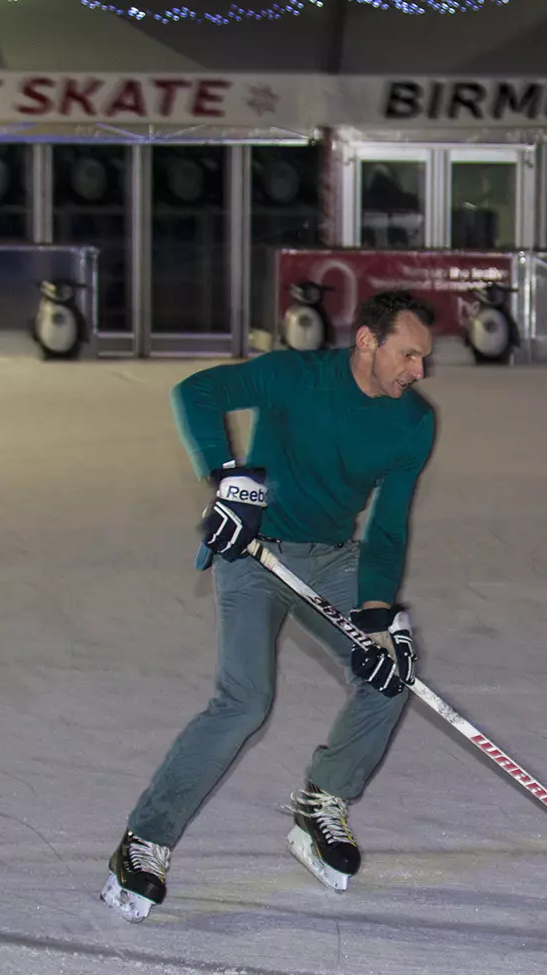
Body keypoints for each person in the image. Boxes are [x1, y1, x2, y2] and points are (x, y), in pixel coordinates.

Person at [101, 290, 437, 923]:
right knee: (244, 701)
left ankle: (322, 803)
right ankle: (144, 840)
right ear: (367, 341)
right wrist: (228, 478)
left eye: (423, 359)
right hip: (254, 551)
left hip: (332, 558)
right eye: (409, 354)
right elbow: (195, 392)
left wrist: (375, 614)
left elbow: (388, 528)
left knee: (389, 676)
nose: (418, 371)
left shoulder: (412, 422)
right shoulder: (296, 374)